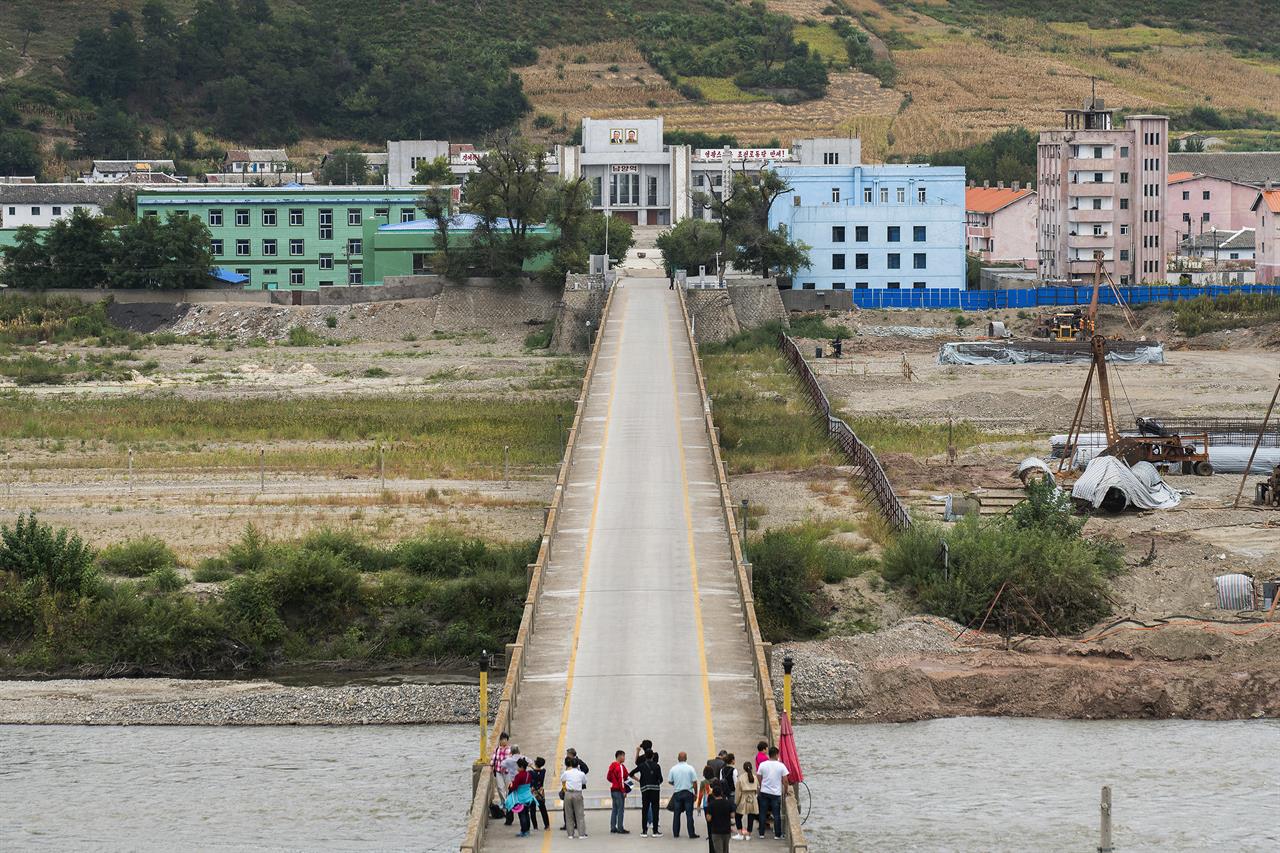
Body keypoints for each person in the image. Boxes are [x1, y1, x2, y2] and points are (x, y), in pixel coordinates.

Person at [757, 746, 789, 839]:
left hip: (764, 792)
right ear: (776, 755)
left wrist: (762, 785)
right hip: (776, 793)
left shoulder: (763, 764)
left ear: (769, 754)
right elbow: (785, 781)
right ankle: (777, 835)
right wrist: (786, 791)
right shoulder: (781, 765)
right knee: (776, 815)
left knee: (762, 813)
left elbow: (759, 776)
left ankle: (761, 833)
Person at [630, 749, 663, 837]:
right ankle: (655, 831)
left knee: (645, 809)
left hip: (645, 790)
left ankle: (644, 831)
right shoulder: (657, 766)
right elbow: (661, 779)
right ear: (652, 756)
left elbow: (631, 773)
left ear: (645, 756)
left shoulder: (641, 766)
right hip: (655, 790)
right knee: (655, 810)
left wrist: (640, 780)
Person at [667, 751, 699, 839]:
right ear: (686, 758)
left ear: (678, 758)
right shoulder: (690, 768)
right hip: (688, 793)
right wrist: (695, 793)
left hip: (677, 793)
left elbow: (670, 781)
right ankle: (691, 833)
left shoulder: (673, 769)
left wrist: (676, 784)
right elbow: (695, 782)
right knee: (689, 814)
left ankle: (676, 833)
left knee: (676, 814)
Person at [504, 757, 537, 837]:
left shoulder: (518, 776)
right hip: (528, 796)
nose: (517, 768)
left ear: (521, 767)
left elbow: (514, 787)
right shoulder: (528, 774)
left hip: (520, 797)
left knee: (521, 814)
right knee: (526, 813)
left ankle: (524, 831)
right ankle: (527, 830)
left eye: (518, 766)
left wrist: (510, 786)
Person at [560, 749, 589, 830]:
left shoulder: (578, 761)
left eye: (567, 754)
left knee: (573, 807)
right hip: (568, 787)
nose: (566, 755)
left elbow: (586, 769)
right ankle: (568, 824)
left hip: (575, 788)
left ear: (571, 754)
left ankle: (574, 824)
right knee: (570, 807)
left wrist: (578, 776)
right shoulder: (569, 761)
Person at [704, 784, 736, 853]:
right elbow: (732, 815)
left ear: (713, 794)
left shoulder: (711, 805)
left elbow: (708, 818)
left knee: (718, 850)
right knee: (726, 849)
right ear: (721, 793)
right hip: (726, 830)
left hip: (716, 831)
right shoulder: (728, 803)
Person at [607, 750, 631, 835]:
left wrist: (614, 782)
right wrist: (624, 791)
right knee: (621, 810)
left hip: (613, 789)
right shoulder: (620, 766)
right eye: (623, 756)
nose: (624, 758)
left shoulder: (612, 766)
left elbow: (608, 777)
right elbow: (621, 780)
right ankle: (620, 828)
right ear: (619, 756)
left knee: (614, 809)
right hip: (619, 790)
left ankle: (613, 827)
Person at [734, 760, 760, 840]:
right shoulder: (754, 777)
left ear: (744, 768)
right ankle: (748, 834)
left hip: (743, 798)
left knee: (738, 816)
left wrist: (736, 802)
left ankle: (740, 833)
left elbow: (738, 792)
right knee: (751, 816)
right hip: (752, 798)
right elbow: (758, 788)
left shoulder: (741, 778)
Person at [501, 747, 523, 825]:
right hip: (522, 784)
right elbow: (530, 763)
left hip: (513, 783)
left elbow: (502, 764)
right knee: (521, 801)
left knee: (510, 802)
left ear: (511, 752)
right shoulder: (523, 758)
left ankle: (509, 820)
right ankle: (522, 819)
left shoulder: (509, 760)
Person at [530, 757, 550, 831]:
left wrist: (530, 766)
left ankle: (535, 826)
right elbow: (537, 770)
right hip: (541, 792)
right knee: (543, 809)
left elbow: (534, 771)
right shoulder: (543, 771)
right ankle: (547, 825)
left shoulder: (531, 773)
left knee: (532, 810)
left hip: (533, 792)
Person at [491, 732, 512, 800]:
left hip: (507, 772)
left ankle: (509, 802)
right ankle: (504, 802)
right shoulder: (497, 749)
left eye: (505, 739)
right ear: (500, 740)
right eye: (503, 739)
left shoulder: (510, 750)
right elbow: (493, 758)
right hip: (498, 771)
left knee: (508, 788)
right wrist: (491, 765)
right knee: (500, 787)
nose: (504, 741)